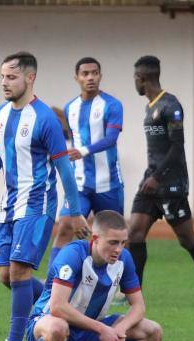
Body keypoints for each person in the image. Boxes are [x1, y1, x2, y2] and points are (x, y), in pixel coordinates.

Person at [0, 51, 89, 341]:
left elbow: (64, 169)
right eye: (2, 76)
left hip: (37, 205)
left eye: (11, 77)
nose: (4, 82)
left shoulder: (45, 119)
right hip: (9, 205)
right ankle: (59, 304)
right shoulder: (2, 114)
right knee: (7, 276)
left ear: (30, 78)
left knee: (18, 272)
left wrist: (76, 210)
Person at [129, 55, 194, 309]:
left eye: (135, 78)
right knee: (134, 233)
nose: (135, 82)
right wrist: (150, 177)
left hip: (170, 184)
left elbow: (177, 148)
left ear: (142, 78)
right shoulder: (149, 106)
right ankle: (134, 296)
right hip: (150, 182)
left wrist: (157, 177)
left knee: (187, 240)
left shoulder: (170, 106)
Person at [27, 210, 162, 341]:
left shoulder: (124, 259)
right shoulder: (73, 254)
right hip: (47, 325)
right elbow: (58, 307)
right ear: (96, 238)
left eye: (123, 243)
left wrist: (119, 331)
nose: (118, 249)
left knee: (153, 332)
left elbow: (138, 307)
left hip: (90, 328)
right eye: (113, 242)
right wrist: (103, 329)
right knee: (58, 328)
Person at [45, 57, 124, 273]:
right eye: (85, 74)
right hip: (79, 184)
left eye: (94, 73)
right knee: (65, 228)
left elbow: (111, 139)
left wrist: (83, 151)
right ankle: (52, 285)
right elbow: (71, 143)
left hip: (108, 183)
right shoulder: (70, 108)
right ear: (77, 78)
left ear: (100, 75)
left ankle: (115, 286)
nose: (90, 77)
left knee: (112, 237)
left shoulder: (112, 105)